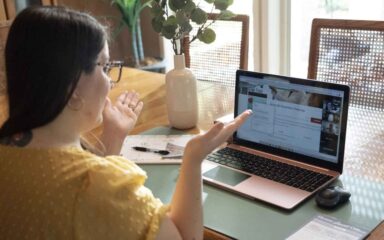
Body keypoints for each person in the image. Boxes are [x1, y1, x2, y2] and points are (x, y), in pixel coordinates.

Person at [0, 6, 251, 240]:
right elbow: (183, 236)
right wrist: (193, 158)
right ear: (74, 87)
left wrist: (114, 136)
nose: (110, 82)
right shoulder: (100, 184)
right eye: (104, 67)